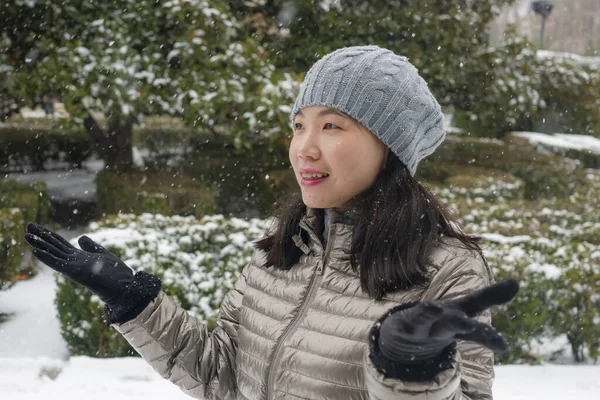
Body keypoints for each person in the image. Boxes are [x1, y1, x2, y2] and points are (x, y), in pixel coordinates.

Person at [25, 45, 519, 400]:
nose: (304, 146)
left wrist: (410, 372)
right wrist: (135, 303)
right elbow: (220, 377)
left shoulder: (446, 270)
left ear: (390, 148)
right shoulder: (281, 252)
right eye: (298, 124)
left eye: (331, 125)